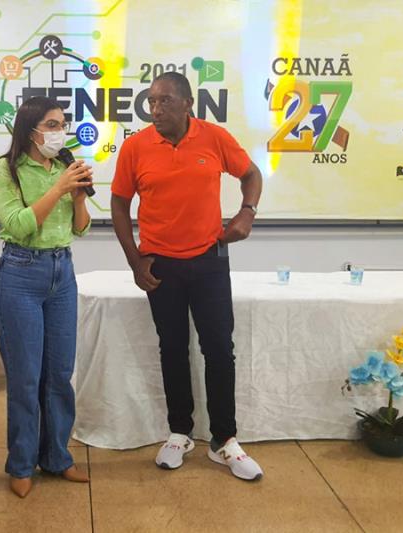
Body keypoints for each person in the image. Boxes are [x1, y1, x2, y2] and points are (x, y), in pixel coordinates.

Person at [110, 72, 264, 481]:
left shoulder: (214, 138)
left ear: (187, 104)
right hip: (161, 265)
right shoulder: (136, 147)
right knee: (173, 348)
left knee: (219, 349)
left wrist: (247, 213)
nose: (155, 109)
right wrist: (135, 261)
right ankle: (180, 432)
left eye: (164, 101)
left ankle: (224, 441)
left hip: (209, 260)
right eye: (150, 101)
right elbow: (119, 204)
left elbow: (251, 174)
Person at [0, 96, 93, 498]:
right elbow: (18, 224)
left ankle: (57, 457)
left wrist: (78, 198)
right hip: (21, 273)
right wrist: (60, 189)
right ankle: (21, 464)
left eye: (62, 124)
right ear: (30, 129)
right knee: (25, 377)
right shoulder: (7, 169)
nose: (59, 132)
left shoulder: (64, 165)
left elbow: (80, 229)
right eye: (51, 125)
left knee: (59, 374)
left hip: (62, 272)